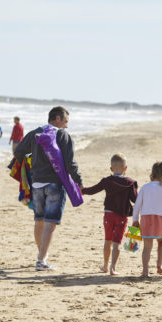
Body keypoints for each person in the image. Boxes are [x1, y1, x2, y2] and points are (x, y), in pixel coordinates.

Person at [14, 106, 83, 271]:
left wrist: (32, 166)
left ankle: (41, 255)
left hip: (36, 183)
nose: (66, 126)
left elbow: (18, 153)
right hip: (55, 184)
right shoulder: (62, 135)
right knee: (50, 223)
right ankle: (41, 260)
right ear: (57, 118)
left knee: (39, 221)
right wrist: (79, 181)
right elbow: (70, 163)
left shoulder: (34, 133)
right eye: (65, 121)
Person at [81, 153, 138, 275]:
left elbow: (93, 190)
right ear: (125, 168)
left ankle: (105, 266)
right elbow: (135, 200)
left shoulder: (106, 181)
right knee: (117, 242)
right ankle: (113, 268)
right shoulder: (130, 183)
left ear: (111, 169)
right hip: (122, 216)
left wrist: (82, 190)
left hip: (108, 215)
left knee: (108, 240)